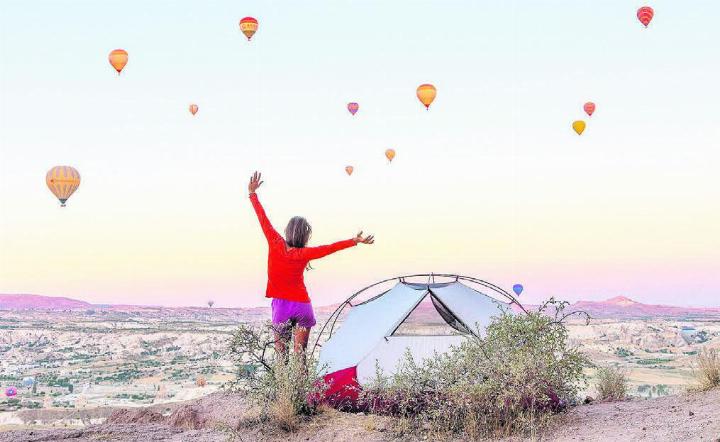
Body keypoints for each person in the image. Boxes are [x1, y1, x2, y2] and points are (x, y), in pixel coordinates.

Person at [248, 171, 374, 357]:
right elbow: (330, 248)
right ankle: (303, 387)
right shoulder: (305, 253)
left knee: (281, 359)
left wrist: (252, 194)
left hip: (282, 306)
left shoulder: (275, 243)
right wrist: (354, 241)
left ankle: (284, 387)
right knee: (301, 358)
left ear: (287, 231)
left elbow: (263, 219)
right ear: (305, 236)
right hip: (302, 306)